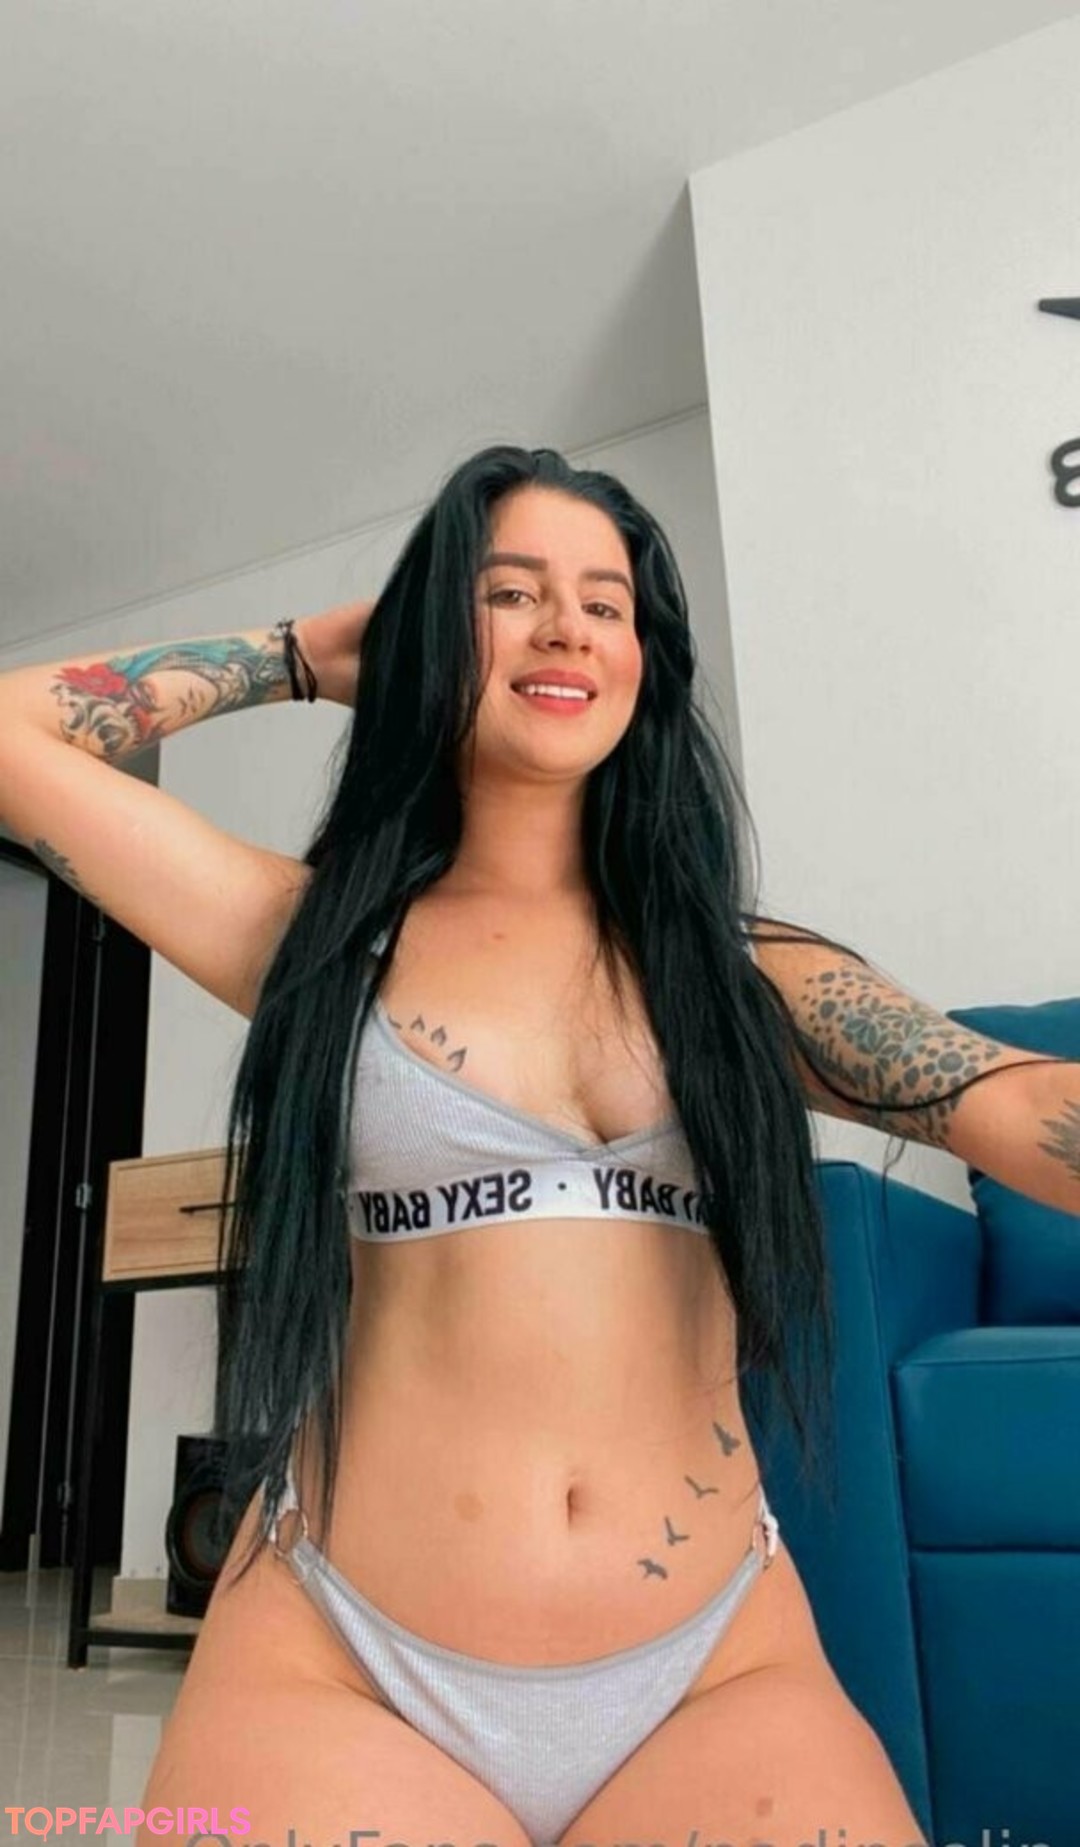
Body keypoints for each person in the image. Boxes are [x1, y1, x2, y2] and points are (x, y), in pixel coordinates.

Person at [1, 444, 1071, 1847]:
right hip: (344, 1664)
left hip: (710, 1673)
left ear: (644, 662)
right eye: (509, 594)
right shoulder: (313, 942)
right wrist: (305, 655)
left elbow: (1014, 1105)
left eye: (604, 604)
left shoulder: (741, 975)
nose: (566, 626)